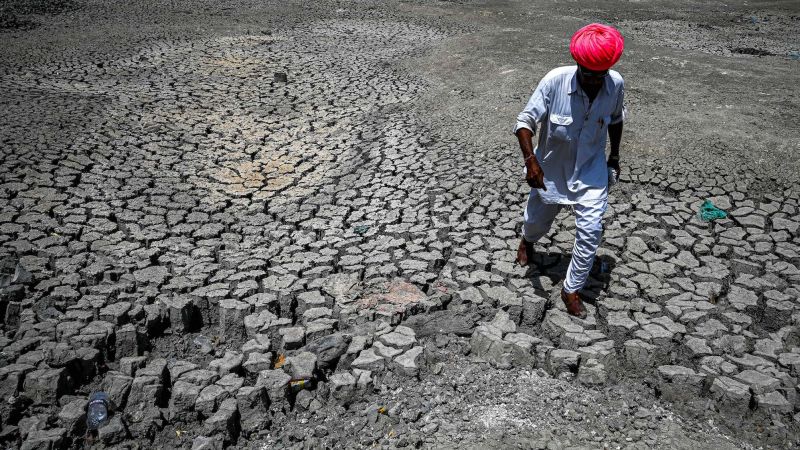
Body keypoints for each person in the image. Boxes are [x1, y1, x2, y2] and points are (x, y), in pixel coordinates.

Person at [513, 23, 626, 318]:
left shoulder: (615, 85)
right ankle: (527, 240)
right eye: (587, 73)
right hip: (551, 170)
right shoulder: (554, 81)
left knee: (590, 231)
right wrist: (531, 161)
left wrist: (614, 156)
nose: (593, 80)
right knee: (537, 222)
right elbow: (525, 122)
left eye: (599, 75)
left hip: (591, 172)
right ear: (577, 63)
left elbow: (615, 120)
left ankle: (571, 289)